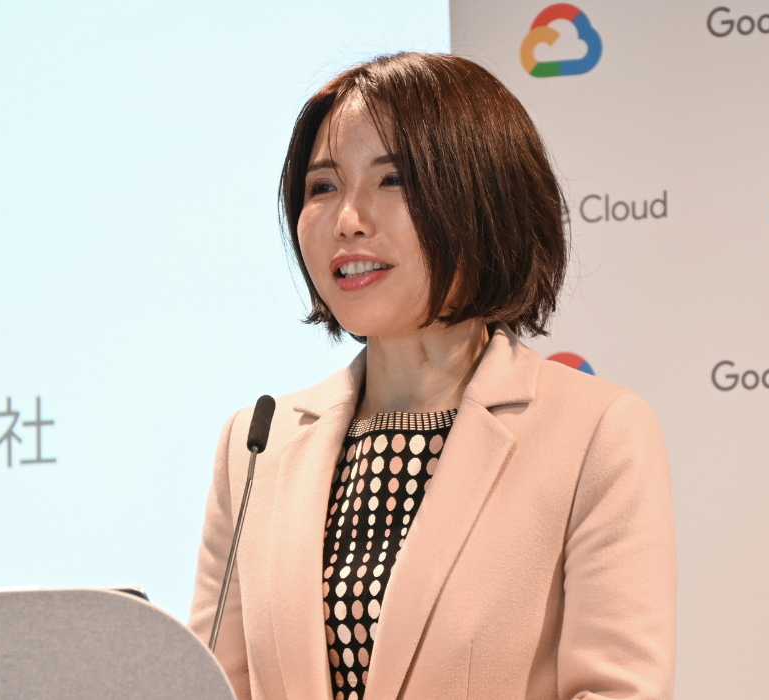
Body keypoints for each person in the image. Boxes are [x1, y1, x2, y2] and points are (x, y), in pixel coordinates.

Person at [188, 52, 675, 700]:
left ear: (483, 201)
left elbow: (617, 691)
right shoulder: (256, 445)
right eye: (322, 187)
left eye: (392, 180)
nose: (349, 219)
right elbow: (214, 688)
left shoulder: (595, 433)